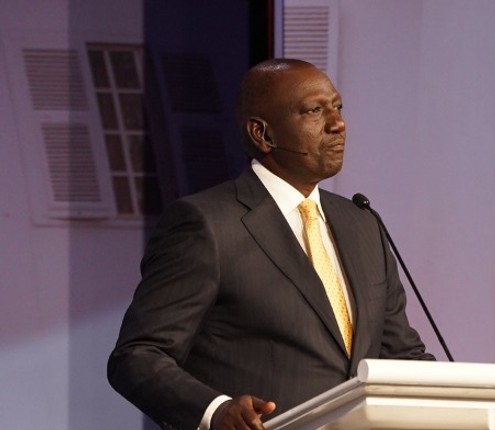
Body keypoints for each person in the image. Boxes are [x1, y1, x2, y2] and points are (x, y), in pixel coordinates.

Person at [107, 58, 434, 430]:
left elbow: (400, 355)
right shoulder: (207, 223)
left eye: (338, 107)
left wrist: (475, 398)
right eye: (314, 111)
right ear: (262, 134)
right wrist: (216, 411)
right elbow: (138, 355)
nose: (338, 124)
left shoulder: (363, 224)